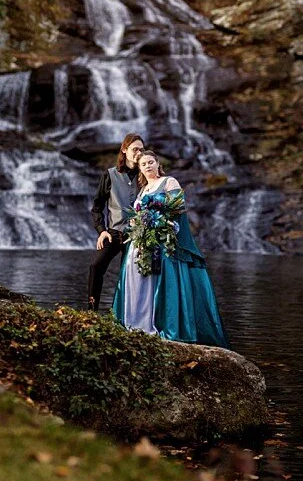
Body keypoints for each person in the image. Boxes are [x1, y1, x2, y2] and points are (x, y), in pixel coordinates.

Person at [112, 151, 230, 348]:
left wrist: (156, 216)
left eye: (151, 162)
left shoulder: (169, 182)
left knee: (158, 283)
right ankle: (136, 322)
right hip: (141, 241)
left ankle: (163, 325)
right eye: (143, 164)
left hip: (161, 240)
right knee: (137, 280)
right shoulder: (143, 190)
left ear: (158, 164)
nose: (148, 166)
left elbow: (178, 207)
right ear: (140, 169)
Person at [86, 133, 144, 310]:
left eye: (142, 150)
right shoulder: (110, 175)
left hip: (136, 236)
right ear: (124, 150)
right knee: (96, 267)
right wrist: (101, 230)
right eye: (135, 149)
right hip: (113, 234)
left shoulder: (145, 175)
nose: (139, 153)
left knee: (130, 275)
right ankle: (92, 311)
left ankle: (127, 316)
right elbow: (97, 206)